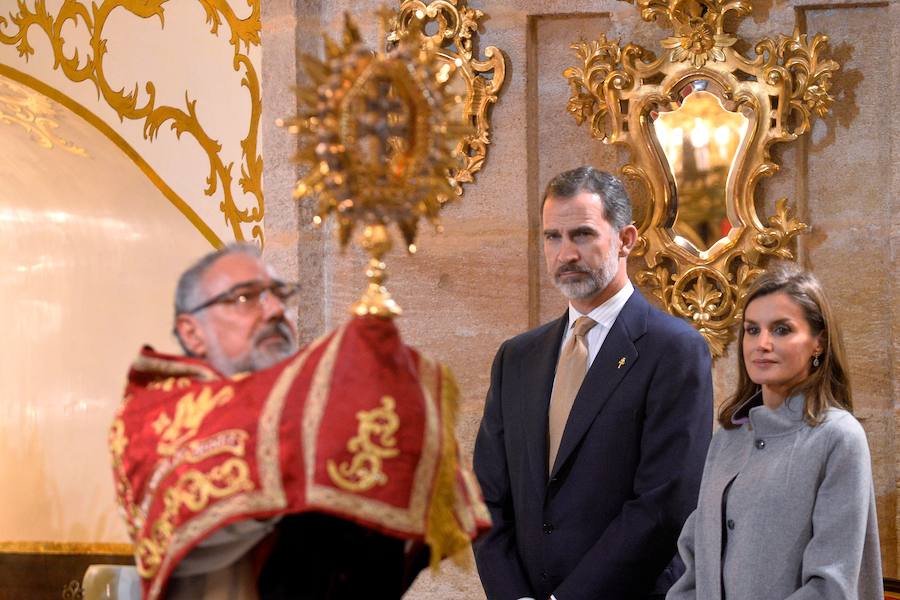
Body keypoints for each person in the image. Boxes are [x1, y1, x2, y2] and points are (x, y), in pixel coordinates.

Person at [110, 243, 487, 600]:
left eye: (280, 293)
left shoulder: (318, 402)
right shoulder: (156, 416)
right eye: (245, 297)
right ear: (193, 332)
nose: (274, 309)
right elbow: (205, 529)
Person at [473, 166, 713, 600]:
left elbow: (664, 504)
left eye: (582, 234)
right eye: (552, 237)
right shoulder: (517, 357)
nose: (565, 254)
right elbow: (486, 497)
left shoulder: (674, 350)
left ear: (626, 240)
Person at [667, 266, 884, 599]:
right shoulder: (728, 437)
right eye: (752, 330)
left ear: (819, 343)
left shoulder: (839, 438)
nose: (762, 343)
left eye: (781, 329)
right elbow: (696, 562)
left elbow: (831, 587)